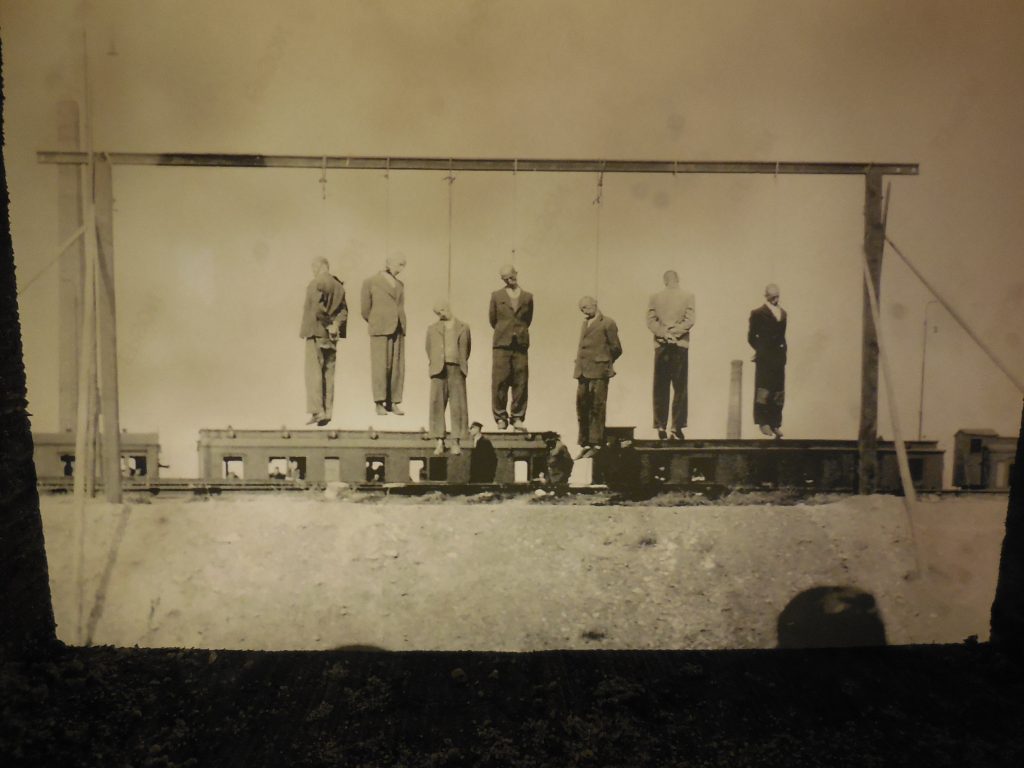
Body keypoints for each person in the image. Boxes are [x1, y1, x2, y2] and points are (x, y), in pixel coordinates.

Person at [646, 269, 695, 440]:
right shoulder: (688, 296)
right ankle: (676, 427)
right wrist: (675, 333)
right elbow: (690, 320)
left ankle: (661, 425)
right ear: (677, 279)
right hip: (680, 345)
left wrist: (664, 333)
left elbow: (650, 321)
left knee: (660, 386)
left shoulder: (655, 297)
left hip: (661, 344)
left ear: (664, 281)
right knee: (680, 387)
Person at [299, 257, 347, 426]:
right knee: (329, 373)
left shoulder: (315, 283)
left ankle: (317, 411)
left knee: (314, 373)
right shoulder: (339, 285)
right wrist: (335, 326)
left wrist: (327, 325)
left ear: (320, 266)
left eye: (314, 267)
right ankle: (327, 412)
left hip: (316, 332)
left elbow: (317, 308)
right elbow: (344, 311)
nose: (313, 270)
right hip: (332, 337)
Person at [574, 296, 622, 460]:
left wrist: (603, 361)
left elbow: (616, 348)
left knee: (597, 407)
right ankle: (585, 443)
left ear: (595, 305)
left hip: (599, 372)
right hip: (582, 372)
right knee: (582, 406)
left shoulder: (608, 323)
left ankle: (596, 443)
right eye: (582, 309)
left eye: (586, 307)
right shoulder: (585, 324)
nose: (584, 311)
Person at [360, 254, 407, 416]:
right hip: (379, 329)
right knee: (380, 367)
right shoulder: (370, 282)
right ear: (388, 263)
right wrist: (377, 321)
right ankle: (379, 402)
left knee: (397, 367)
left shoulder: (400, 284)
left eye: (403, 265)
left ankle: (393, 402)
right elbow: (365, 310)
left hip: (398, 329)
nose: (401, 269)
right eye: (399, 264)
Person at [489, 264, 534, 431]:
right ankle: (501, 418)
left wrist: (518, 332)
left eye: (511, 276)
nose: (509, 280)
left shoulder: (528, 297)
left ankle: (517, 417)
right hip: (501, 344)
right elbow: (493, 320)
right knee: (499, 381)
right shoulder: (496, 296)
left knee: (520, 381)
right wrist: (506, 331)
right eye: (505, 278)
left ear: (516, 273)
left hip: (520, 345)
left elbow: (528, 320)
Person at [426, 300, 471, 456]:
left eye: (442, 310)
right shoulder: (432, 329)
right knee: (436, 405)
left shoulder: (464, 327)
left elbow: (467, 349)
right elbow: (428, 348)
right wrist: (437, 362)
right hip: (438, 370)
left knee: (458, 405)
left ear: (448, 308)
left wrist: (459, 362)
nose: (440, 314)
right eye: (437, 313)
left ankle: (456, 442)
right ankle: (439, 441)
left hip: (457, 369)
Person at [748, 283, 787, 438]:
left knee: (778, 391)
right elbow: (751, 337)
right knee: (763, 390)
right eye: (773, 297)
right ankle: (763, 422)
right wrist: (761, 350)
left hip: (779, 358)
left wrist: (783, 352)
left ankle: (775, 423)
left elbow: (782, 335)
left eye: (777, 296)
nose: (776, 299)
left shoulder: (783, 313)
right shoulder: (757, 313)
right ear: (766, 296)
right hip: (765, 359)